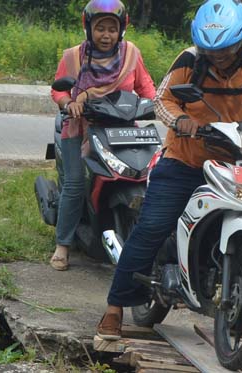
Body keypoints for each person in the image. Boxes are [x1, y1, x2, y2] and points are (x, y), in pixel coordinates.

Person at [96, 0, 242, 342]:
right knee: (152, 227)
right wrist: (181, 121)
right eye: (210, 51)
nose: (218, 58)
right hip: (184, 161)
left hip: (241, 164)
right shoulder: (189, 60)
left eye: (226, 50)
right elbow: (163, 100)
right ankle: (114, 307)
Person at [49, 0, 156, 271]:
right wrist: (68, 104)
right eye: (100, 28)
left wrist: (154, 104)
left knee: (148, 178)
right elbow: (58, 91)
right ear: (89, 28)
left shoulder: (131, 54)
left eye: (112, 28)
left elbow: (146, 87)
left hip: (123, 129)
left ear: (121, 30)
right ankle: (63, 245)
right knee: (74, 185)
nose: (106, 35)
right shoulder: (73, 56)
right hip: (80, 127)